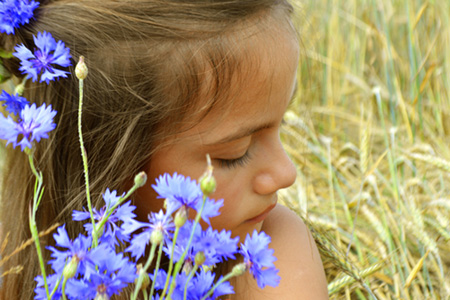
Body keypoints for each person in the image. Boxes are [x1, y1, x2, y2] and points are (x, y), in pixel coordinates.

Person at [0, 0, 328, 299]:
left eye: (281, 124)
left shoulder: (275, 249)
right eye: (235, 154)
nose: (287, 173)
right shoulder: (12, 262)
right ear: (111, 167)